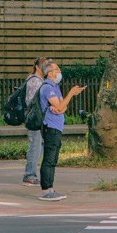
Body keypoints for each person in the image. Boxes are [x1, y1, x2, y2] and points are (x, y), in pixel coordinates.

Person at [37, 61, 86, 202]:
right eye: (57, 69)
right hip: (50, 126)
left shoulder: (54, 86)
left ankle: (50, 189)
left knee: (53, 159)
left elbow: (62, 107)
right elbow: (60, 104)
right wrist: (71, 93)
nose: (59, 71)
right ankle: (45, 190)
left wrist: (60, 106)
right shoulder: (47, 87)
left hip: (56, 126)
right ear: (50, 73)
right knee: (49, 158)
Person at [22, 59, 47, 184]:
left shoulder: (40, 81)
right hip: (35, 118)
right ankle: (29, 175)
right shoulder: (35, 81)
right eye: (44, 65)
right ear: (37, 67)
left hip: (39, 118)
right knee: (35, 146)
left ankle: (31, 173)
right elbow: (32, 102)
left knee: (39, 146)